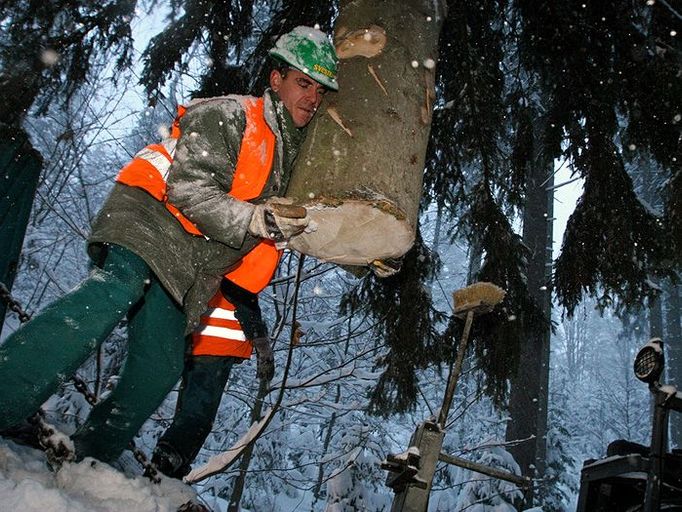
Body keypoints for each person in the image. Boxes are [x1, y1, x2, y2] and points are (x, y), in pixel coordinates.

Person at [0, 25, 339, 465]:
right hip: (147, 214)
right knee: (112, 292)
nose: (312, 98)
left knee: (160, 363)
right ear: (276, 80)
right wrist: (253, 218)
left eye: (320, 89)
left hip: (184, 261)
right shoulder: (233, 114)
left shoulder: (294, 160)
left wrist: (357, 246)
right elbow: (189, 189)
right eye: (303, 82)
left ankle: (87, 459)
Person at [151, 277, 270, 479]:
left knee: (190, 412)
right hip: (214, 342)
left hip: (196, 337)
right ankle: (166, 465)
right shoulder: (251, 251)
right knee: (198, 415)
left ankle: (171, 468)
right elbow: (240, 290)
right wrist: (260, 339)